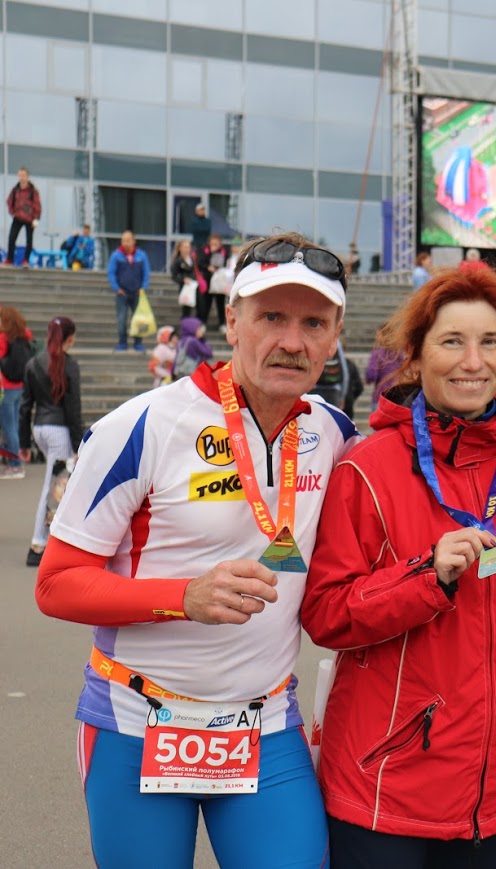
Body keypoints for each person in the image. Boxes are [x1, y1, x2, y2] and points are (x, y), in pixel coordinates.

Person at [33, 231, 357, 867]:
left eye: (313, 323)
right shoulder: (144, 425)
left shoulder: (333, 431)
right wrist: (184, 597)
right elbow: (56, 583)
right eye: (271, 317)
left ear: (335, 333)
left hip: (263, 725)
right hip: (137, 720)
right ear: (232, 321)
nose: (292, 342)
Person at [302, 266, 496, 868]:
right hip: (386, 778)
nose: (473, 361)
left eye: (489, 342)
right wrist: (426, 579)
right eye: (452, 342)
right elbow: (325, 613)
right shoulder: (365, 468)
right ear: (415, 358)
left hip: (493, 782)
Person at [19, 316, 81, 567]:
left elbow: (25, 406)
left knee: (55, 485)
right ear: (69, 338)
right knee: (55, 487)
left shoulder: (34, 362)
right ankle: (38, 544)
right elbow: (73, 409)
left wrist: (24, 442)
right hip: (59, 430)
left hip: (40, 428)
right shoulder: (69, 364)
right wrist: (80, 445)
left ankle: (43, 542)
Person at [0, 305, 35, 478]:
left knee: (9, 427)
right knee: (14, 425)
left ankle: (15, 465)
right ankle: (17, 462)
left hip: (5, 386)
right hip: (20, 385)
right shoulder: (24, 336)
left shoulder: (4, 338)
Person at [107, 230, 151, 352]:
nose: (125, 243)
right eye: (123, 240)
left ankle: (138, 343)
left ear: (133, 241)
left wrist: (143, 287)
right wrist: (116, 288)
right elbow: (111, 273)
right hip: (122, 293)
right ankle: (122, 342)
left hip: (137, 293)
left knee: (139, 319)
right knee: (121, 319)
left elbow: (146, 273)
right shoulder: (116, 255)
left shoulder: (141, 255)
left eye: (128, 240)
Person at [5, 167, 41, 268]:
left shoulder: (33, 191)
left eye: (24, 175)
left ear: (27, 177)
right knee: (12, 238)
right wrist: (13, 212)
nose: (22, 177)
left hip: (30, 219)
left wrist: (36, 219)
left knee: (29, 240)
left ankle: (26, 260)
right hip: (17, 217)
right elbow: (9, 201)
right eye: (20, 175)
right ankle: (9, 259)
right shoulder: (15, 189)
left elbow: (37, 205)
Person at [196, 234, 230, 332]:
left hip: (219, 282)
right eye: (213, 243)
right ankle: (203, 322)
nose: (214, 245)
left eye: (216, 243)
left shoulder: (224, 252)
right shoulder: (205, 251)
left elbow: (225, 263)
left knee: (220, 303)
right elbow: (200, 262)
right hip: (208, 281)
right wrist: (208, 266)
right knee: (205, 303)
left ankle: (221, 323)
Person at [364, 326, 403, 412]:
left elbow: (371, 374)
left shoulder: (378, 353)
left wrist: (367, 378)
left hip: (381, 396)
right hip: (397, 396)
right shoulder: (399, 354)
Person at [171, 239, 200, 319]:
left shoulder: (193, 259)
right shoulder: (177, 261)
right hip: (185, 287)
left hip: (195, 285)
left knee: (199, 306)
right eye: (185, 247)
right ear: (180, 248)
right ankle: (185, 325)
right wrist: (183, 279)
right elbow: (174, 275)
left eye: (188, 247)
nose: (187, 249)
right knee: (186, 308)